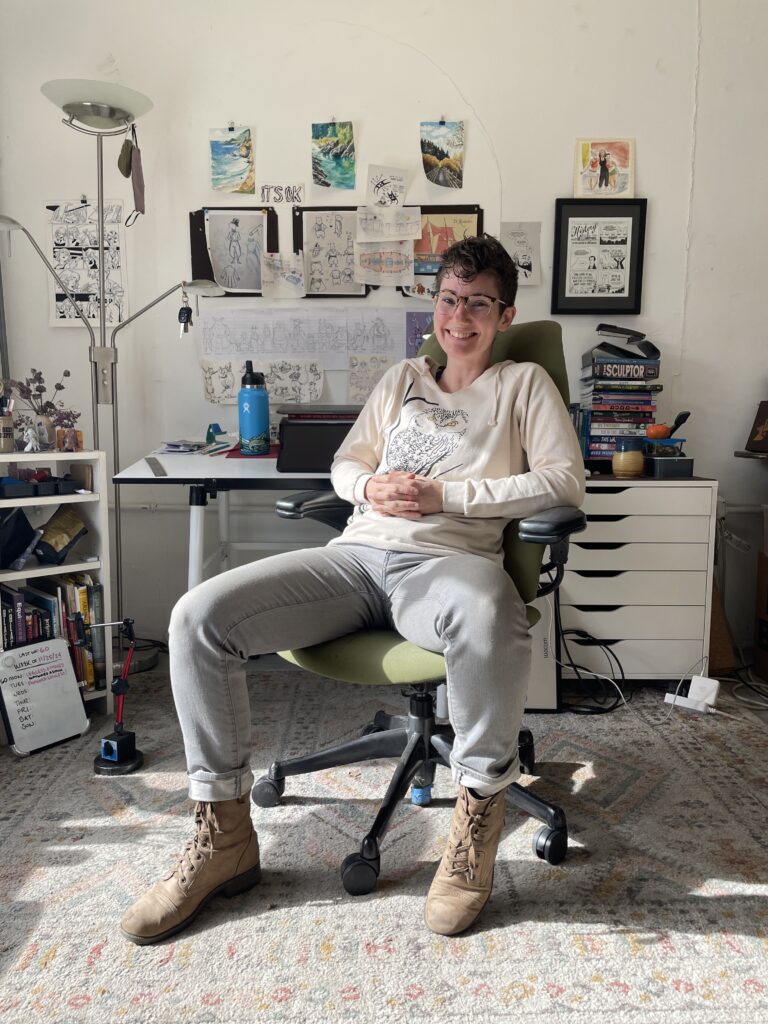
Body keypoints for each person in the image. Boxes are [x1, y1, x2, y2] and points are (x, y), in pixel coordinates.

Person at [121, 235, 585, 945]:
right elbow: (345, 464)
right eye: (449, 300)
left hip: (446, 565)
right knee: (197, 618)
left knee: (493, 610)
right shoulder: (402, 380)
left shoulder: (523, 384)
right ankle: (224, 839)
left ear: (504, 313)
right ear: (436, 304)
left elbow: (562, 482)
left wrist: (445, 497)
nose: (460, 317)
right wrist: (368, 485)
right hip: (357, 558)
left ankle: (477, 820)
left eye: (478, 305)